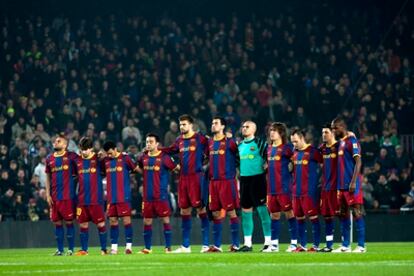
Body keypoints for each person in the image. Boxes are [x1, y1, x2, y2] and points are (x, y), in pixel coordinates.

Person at [163, 114, 210, 253]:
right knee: (184, 210)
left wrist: (205, 165)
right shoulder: (179, 140)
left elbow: (210, 151)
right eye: (180, 124)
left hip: (197, 177)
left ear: (191, 125)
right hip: (183, 178)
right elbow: (170, 150)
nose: (181, 127)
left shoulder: (200, 138)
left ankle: (206, 245)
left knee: (201, 209)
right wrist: (156, 150)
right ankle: (185, 246)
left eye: (184, 124)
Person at [137, 133, 179, 254]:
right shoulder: (143, 157)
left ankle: (168, 247)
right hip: (147, 196)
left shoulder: (164, 157)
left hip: (161, 195)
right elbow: (139, 169)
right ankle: (147, 248)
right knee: (147, 221)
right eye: (147, 142)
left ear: (157, 144)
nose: (148, 144)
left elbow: (176, 168)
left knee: (165, 220)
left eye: (151, 142)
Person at [331, 117, 366, 253]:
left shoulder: (352, 141)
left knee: (357, 212)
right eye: (332, 128)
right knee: (343, 214)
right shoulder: (341, 143)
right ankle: (345, 245)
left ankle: (361, 246)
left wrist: (353, 181)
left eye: (335, 128)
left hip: (351, 184)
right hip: (341, 185)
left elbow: (358, 162)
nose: (334, 131)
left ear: (342, 126)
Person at [207, 116, 240, 252]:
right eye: (212, 123)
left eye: (216, 123)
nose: (213, 125)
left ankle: (236, 244)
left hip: (227, 181)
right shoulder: (209, 143)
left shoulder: (230, 142)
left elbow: (239, 157)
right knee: (215, 213)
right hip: (213, 182)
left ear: (222, 127)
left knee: (231, 212)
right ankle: (217, 246)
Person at [237, 120, 271, 252]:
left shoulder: (260, 143)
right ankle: (247, 244)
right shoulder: (239, 146)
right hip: (244, 180)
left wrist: (266, 165)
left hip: (258, 179)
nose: (244, 128)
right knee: (246, 211)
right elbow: (236, 162)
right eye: (243, 126)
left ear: (254, 130)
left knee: (262, 211)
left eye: (247, 127)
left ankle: (268, 242)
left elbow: (269, 157)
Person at [102, 140, 140, 254]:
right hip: (111, 197)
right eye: (107, 154)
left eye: (110, 153)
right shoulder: (106, 161)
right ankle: (114, 248)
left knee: (126, 221)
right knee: (113, 221)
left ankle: (128, 247)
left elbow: (136, 170)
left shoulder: (125, 158)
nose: (109, 155)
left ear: (115, 149)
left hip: (123, 196)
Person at [266, 122, 298, 253]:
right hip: (271, 188)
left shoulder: (287, 148)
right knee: (274, 215)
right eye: (271, 130)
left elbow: (297, 160)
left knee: (290, 213)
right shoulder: (268, 149)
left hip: (284, 187)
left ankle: (294, 243)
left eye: (275, 130)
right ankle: (274, 245)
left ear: (281, 133)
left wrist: (292, 168)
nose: (272, 132)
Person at [290, 128, 322, 252]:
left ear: (302, 138)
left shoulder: (313, 152)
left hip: (309, 192)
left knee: (313, 218)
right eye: (292, 142)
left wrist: (320, 182)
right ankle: (302, 245)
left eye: (296, 141)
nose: (294, 144)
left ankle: (315, 245)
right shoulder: (295, 153)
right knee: (299, 219)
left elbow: (325, 165)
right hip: (296, 192)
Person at [45, 134, 78, 256]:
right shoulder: (49, 158)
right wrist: (48, 194)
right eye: (55, 141)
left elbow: (81, 167)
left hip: (67, 197)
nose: (55, 142)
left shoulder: (71, 157)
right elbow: (48, 177)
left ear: (65, 145)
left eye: (58, 141)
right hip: (54, 197)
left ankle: (70, 249)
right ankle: (60, 250)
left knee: (69, 222)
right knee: (57, 223)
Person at [74, 137, 107, 256]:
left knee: (101, 224)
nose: (84, 152)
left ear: (91, 148)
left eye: (87, 149)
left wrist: (103, 156)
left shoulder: (98, 160)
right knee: (83, 224)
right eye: (82, 149)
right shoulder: (77, 161)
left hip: (96, 199)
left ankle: (103, 249)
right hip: (82, 199)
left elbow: (107, 167)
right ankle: (84, 250)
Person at [318, 124, 339, 252]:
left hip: (337, 187)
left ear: (332, 133)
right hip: (325, 187)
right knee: (327, 216)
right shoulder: (322, 148)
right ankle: (329, 245)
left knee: (342, 215)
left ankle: (345, 244)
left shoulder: (339, 147)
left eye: (326, 132)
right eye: (322, 132)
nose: (324, 135)